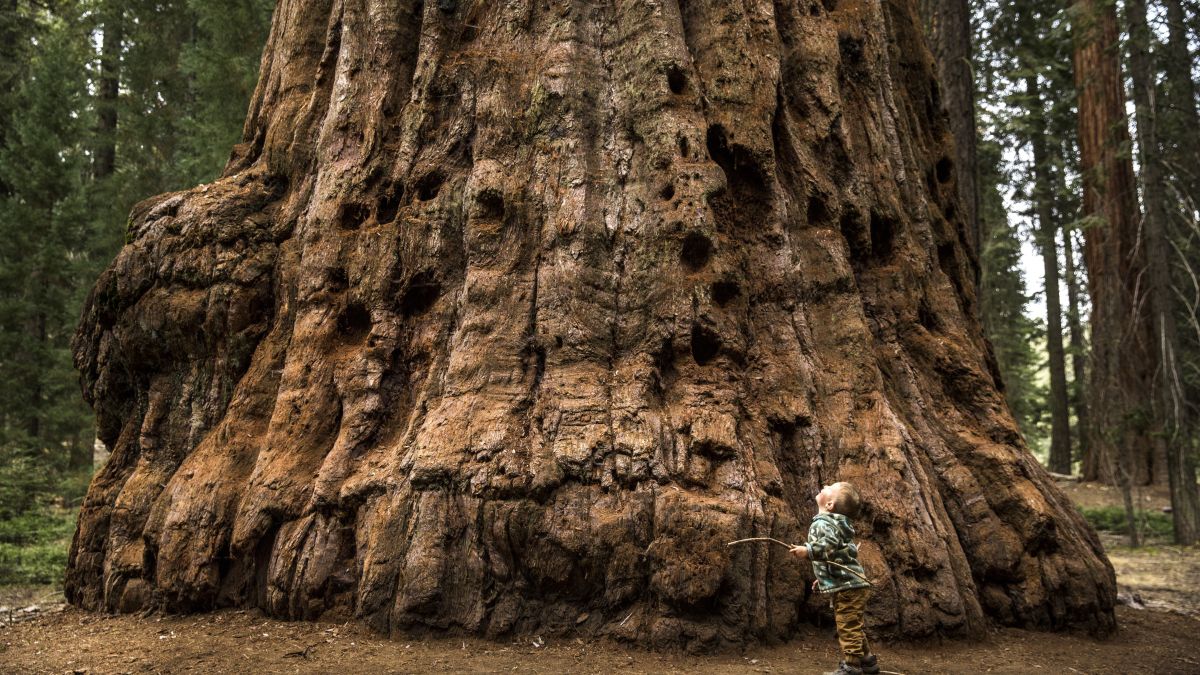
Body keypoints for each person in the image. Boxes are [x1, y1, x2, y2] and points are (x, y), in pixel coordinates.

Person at [790, 481, 878, 675]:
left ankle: (852, 667)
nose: (826, 485)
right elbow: (838, 556)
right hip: (851, 584)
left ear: (830, 505)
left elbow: (828, 547)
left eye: (830, 488)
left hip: (849, 588)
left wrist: (809, 550)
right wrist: (823, 579)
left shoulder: (824, 524)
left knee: (848, 626)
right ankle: (868, 662)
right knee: (853, 624)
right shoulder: (839, 524)